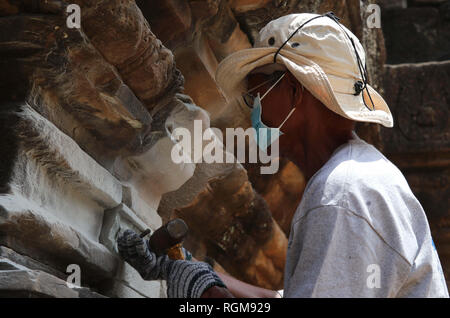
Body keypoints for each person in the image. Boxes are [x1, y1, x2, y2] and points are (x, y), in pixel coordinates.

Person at [117, 12, 449, 298]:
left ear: (294, 90)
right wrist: (192, 269)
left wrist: (203, 295)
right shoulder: (358, 176)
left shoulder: (342, 193)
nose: (253, 112)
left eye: (257, 96)